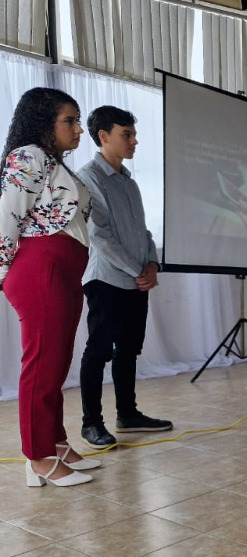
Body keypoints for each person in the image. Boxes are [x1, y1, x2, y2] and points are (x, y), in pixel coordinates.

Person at [0, 88, 100, 487]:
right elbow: (6, 217)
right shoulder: (28, 156)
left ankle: (55, 442)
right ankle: (38, 457)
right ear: (44, 122)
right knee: (42, 363)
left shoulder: (54, 163)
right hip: (41, 266)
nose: (78, 130)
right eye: (69, 121)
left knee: (56, 361)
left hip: (64, 269)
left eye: (77, 121)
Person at [77, 106, 172, 449]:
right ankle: (91, 423)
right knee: (98, 351)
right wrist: (138, 271)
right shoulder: (88, 177)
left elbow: (142, 231)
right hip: (105, 280)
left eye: (133, 134)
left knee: (128, 350)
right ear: (104, 136)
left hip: (136, 280)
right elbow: (99, 236)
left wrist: (152, 265)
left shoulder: (129, 181)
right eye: (126, 135)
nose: (134, 141)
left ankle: (127, 414)